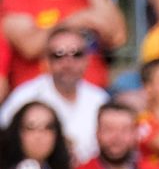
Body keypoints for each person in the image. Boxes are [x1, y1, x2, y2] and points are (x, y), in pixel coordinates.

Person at [0, 22, 107, 159]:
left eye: (76, 54)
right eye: (58, 55)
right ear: (46, 61)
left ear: (87, 60)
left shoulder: (100, 99)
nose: (68, 63)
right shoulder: (24, 96)